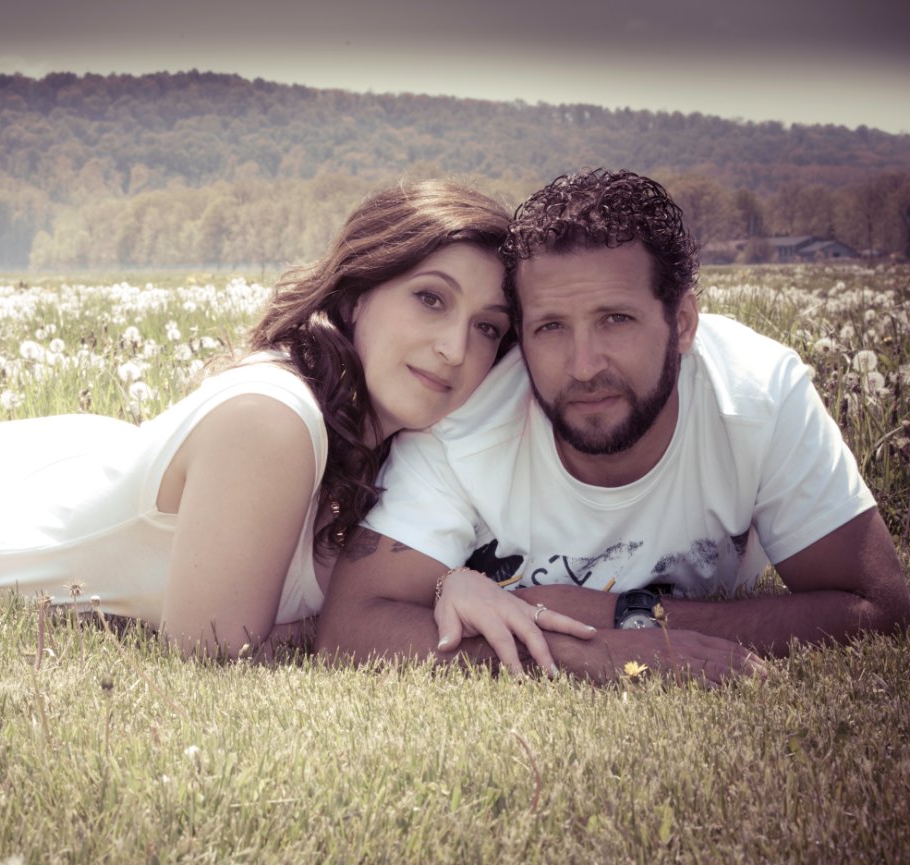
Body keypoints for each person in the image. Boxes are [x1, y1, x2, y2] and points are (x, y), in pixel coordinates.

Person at [0, 181, 579, 659]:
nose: (455, 348)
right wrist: (397, 605)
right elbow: (213, 647)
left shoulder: (396, 435)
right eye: (430, 299)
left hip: (69, 468)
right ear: (357, 294)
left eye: (487, 328)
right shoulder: (275, 420)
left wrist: (444, 576)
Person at [315, 168, 910, 682]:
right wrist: (579, 651)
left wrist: (610, 612)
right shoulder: (463, 426)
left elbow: (880, 608)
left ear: (682, 322)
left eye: (616, 319)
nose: (584, 366)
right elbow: (349, 629)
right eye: (550, 327)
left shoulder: (757, 395)